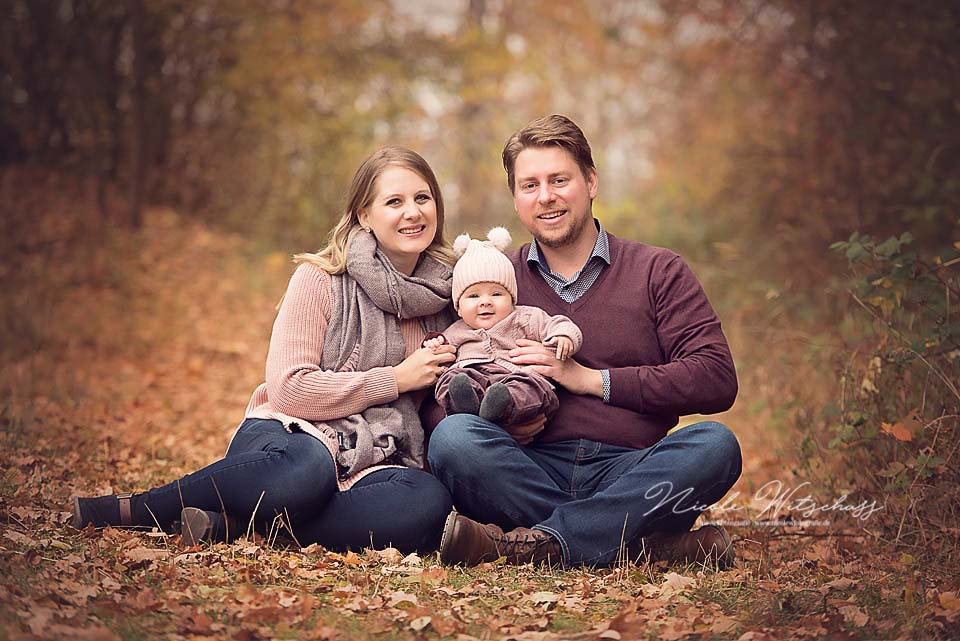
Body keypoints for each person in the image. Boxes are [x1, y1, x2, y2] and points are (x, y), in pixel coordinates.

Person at [72, 146, 459, 553]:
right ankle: (139, 508)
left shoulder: (449, 296)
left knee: (427, 501)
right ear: (364, 215)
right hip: (293, 436)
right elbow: (291, 388)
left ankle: (236, 526)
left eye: (422, 198)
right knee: (306, 474)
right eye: (394, 201)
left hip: (375, 457)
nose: (412, 212)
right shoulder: (320, 279)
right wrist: (395, 379)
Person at [427, 115, 742, 568]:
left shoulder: (658, 270)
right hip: (526, 466)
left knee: (715, 445)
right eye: (529, 185)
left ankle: (538, 543)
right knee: (456, 437)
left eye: (560, 180)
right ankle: (640, 544)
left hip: (632, 469)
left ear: (591, 182)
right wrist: (497, 420)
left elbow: (715, 378)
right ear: (515, 199)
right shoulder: (487, 280)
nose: (546, 197)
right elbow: (438, 387)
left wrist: (590, 380)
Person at [425, 227, 582, 428]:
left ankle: (502, 406)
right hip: (473, 376)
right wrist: (434, 343)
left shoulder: (524, 317)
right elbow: (440, 350)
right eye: (474, 296)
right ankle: (464, 404)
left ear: (512, 298)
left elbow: (557, 324)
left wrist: (564, 337)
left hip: (516, 376)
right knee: (452, 378)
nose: (485, 302)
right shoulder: (457, 330)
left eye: (496, 294)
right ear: (459, 307)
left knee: (532, 389)